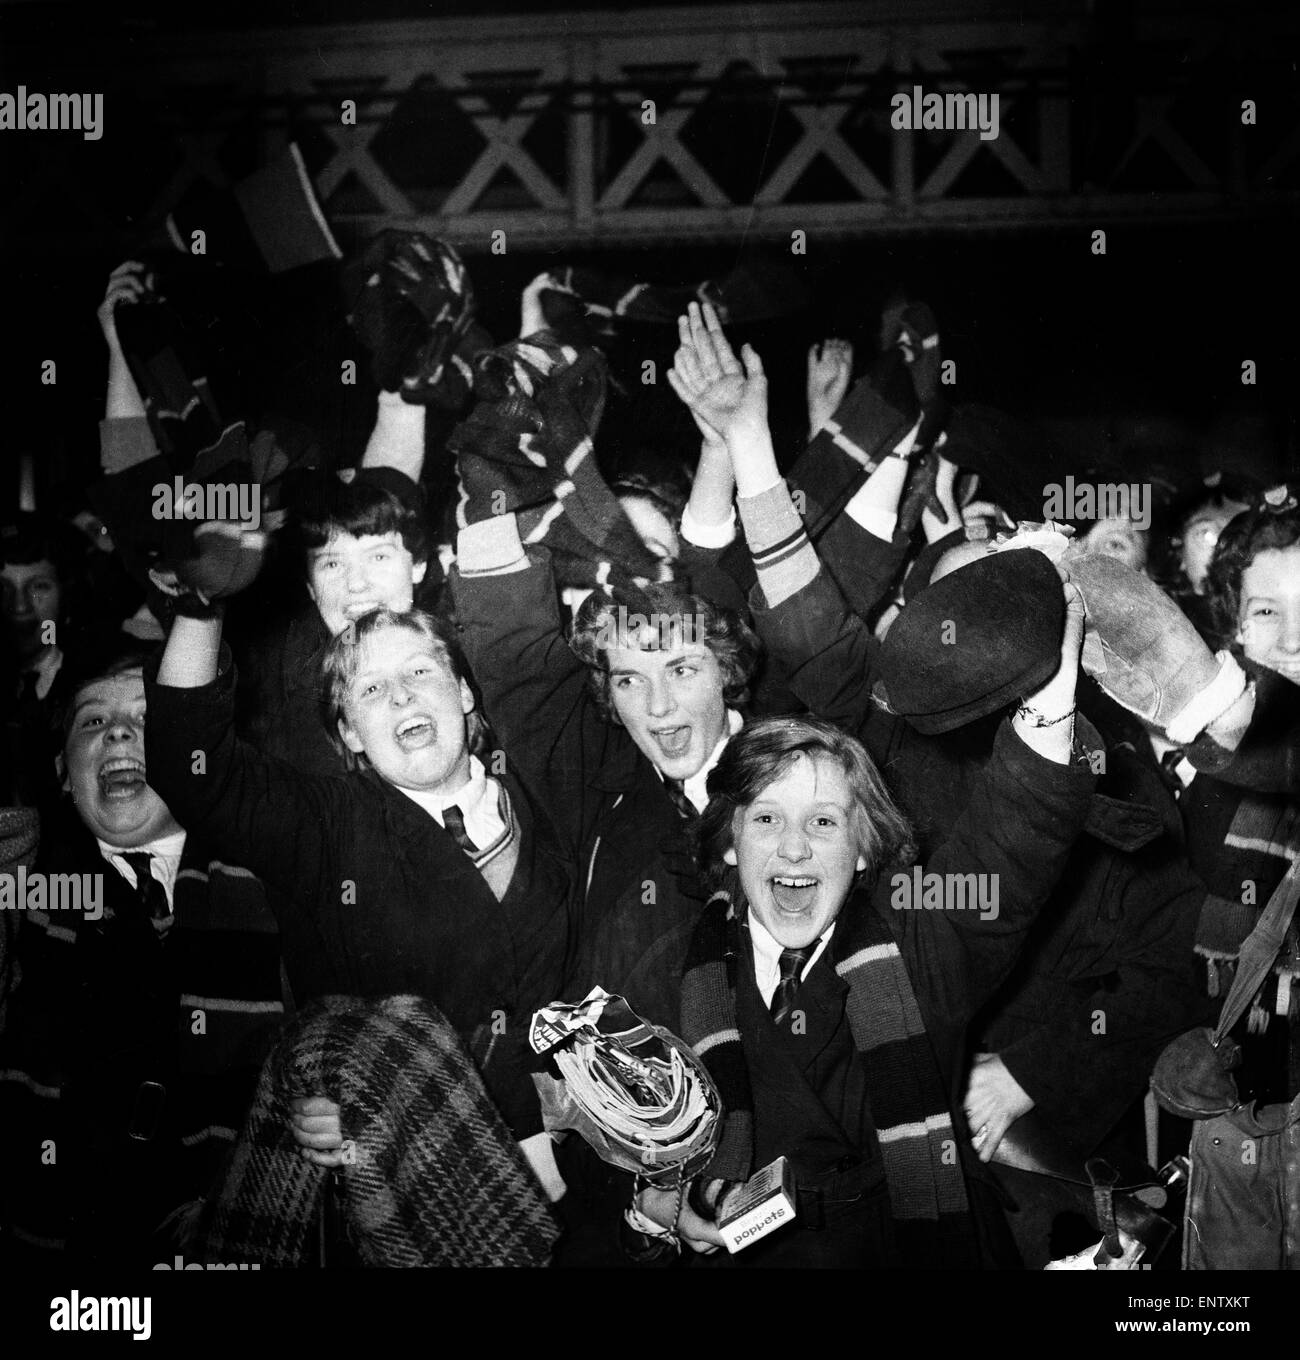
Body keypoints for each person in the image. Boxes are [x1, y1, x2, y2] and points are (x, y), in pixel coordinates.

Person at [144, 596, 573, 1197]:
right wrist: (200, 602)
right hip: (416, 1201)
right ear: (349, 731)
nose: (401, 696)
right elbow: (193, 768)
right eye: (370, 690)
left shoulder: (546, 800)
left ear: (464, 691)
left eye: (420, 672)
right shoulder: (325, 827)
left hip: (582, 1183)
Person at [0, 650, 285, 1267]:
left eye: (146, 719)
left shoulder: (272, 878)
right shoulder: (28, 894)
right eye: (93, 722)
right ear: (62, 773)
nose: (121, 731)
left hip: (234, 1229)